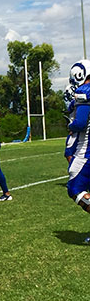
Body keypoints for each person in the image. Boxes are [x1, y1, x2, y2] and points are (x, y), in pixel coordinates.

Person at [65, 60, 90, 229]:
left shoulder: (84, 91)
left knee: (74, 188)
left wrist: (70, 125)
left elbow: (80, 123)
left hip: (86, 149)